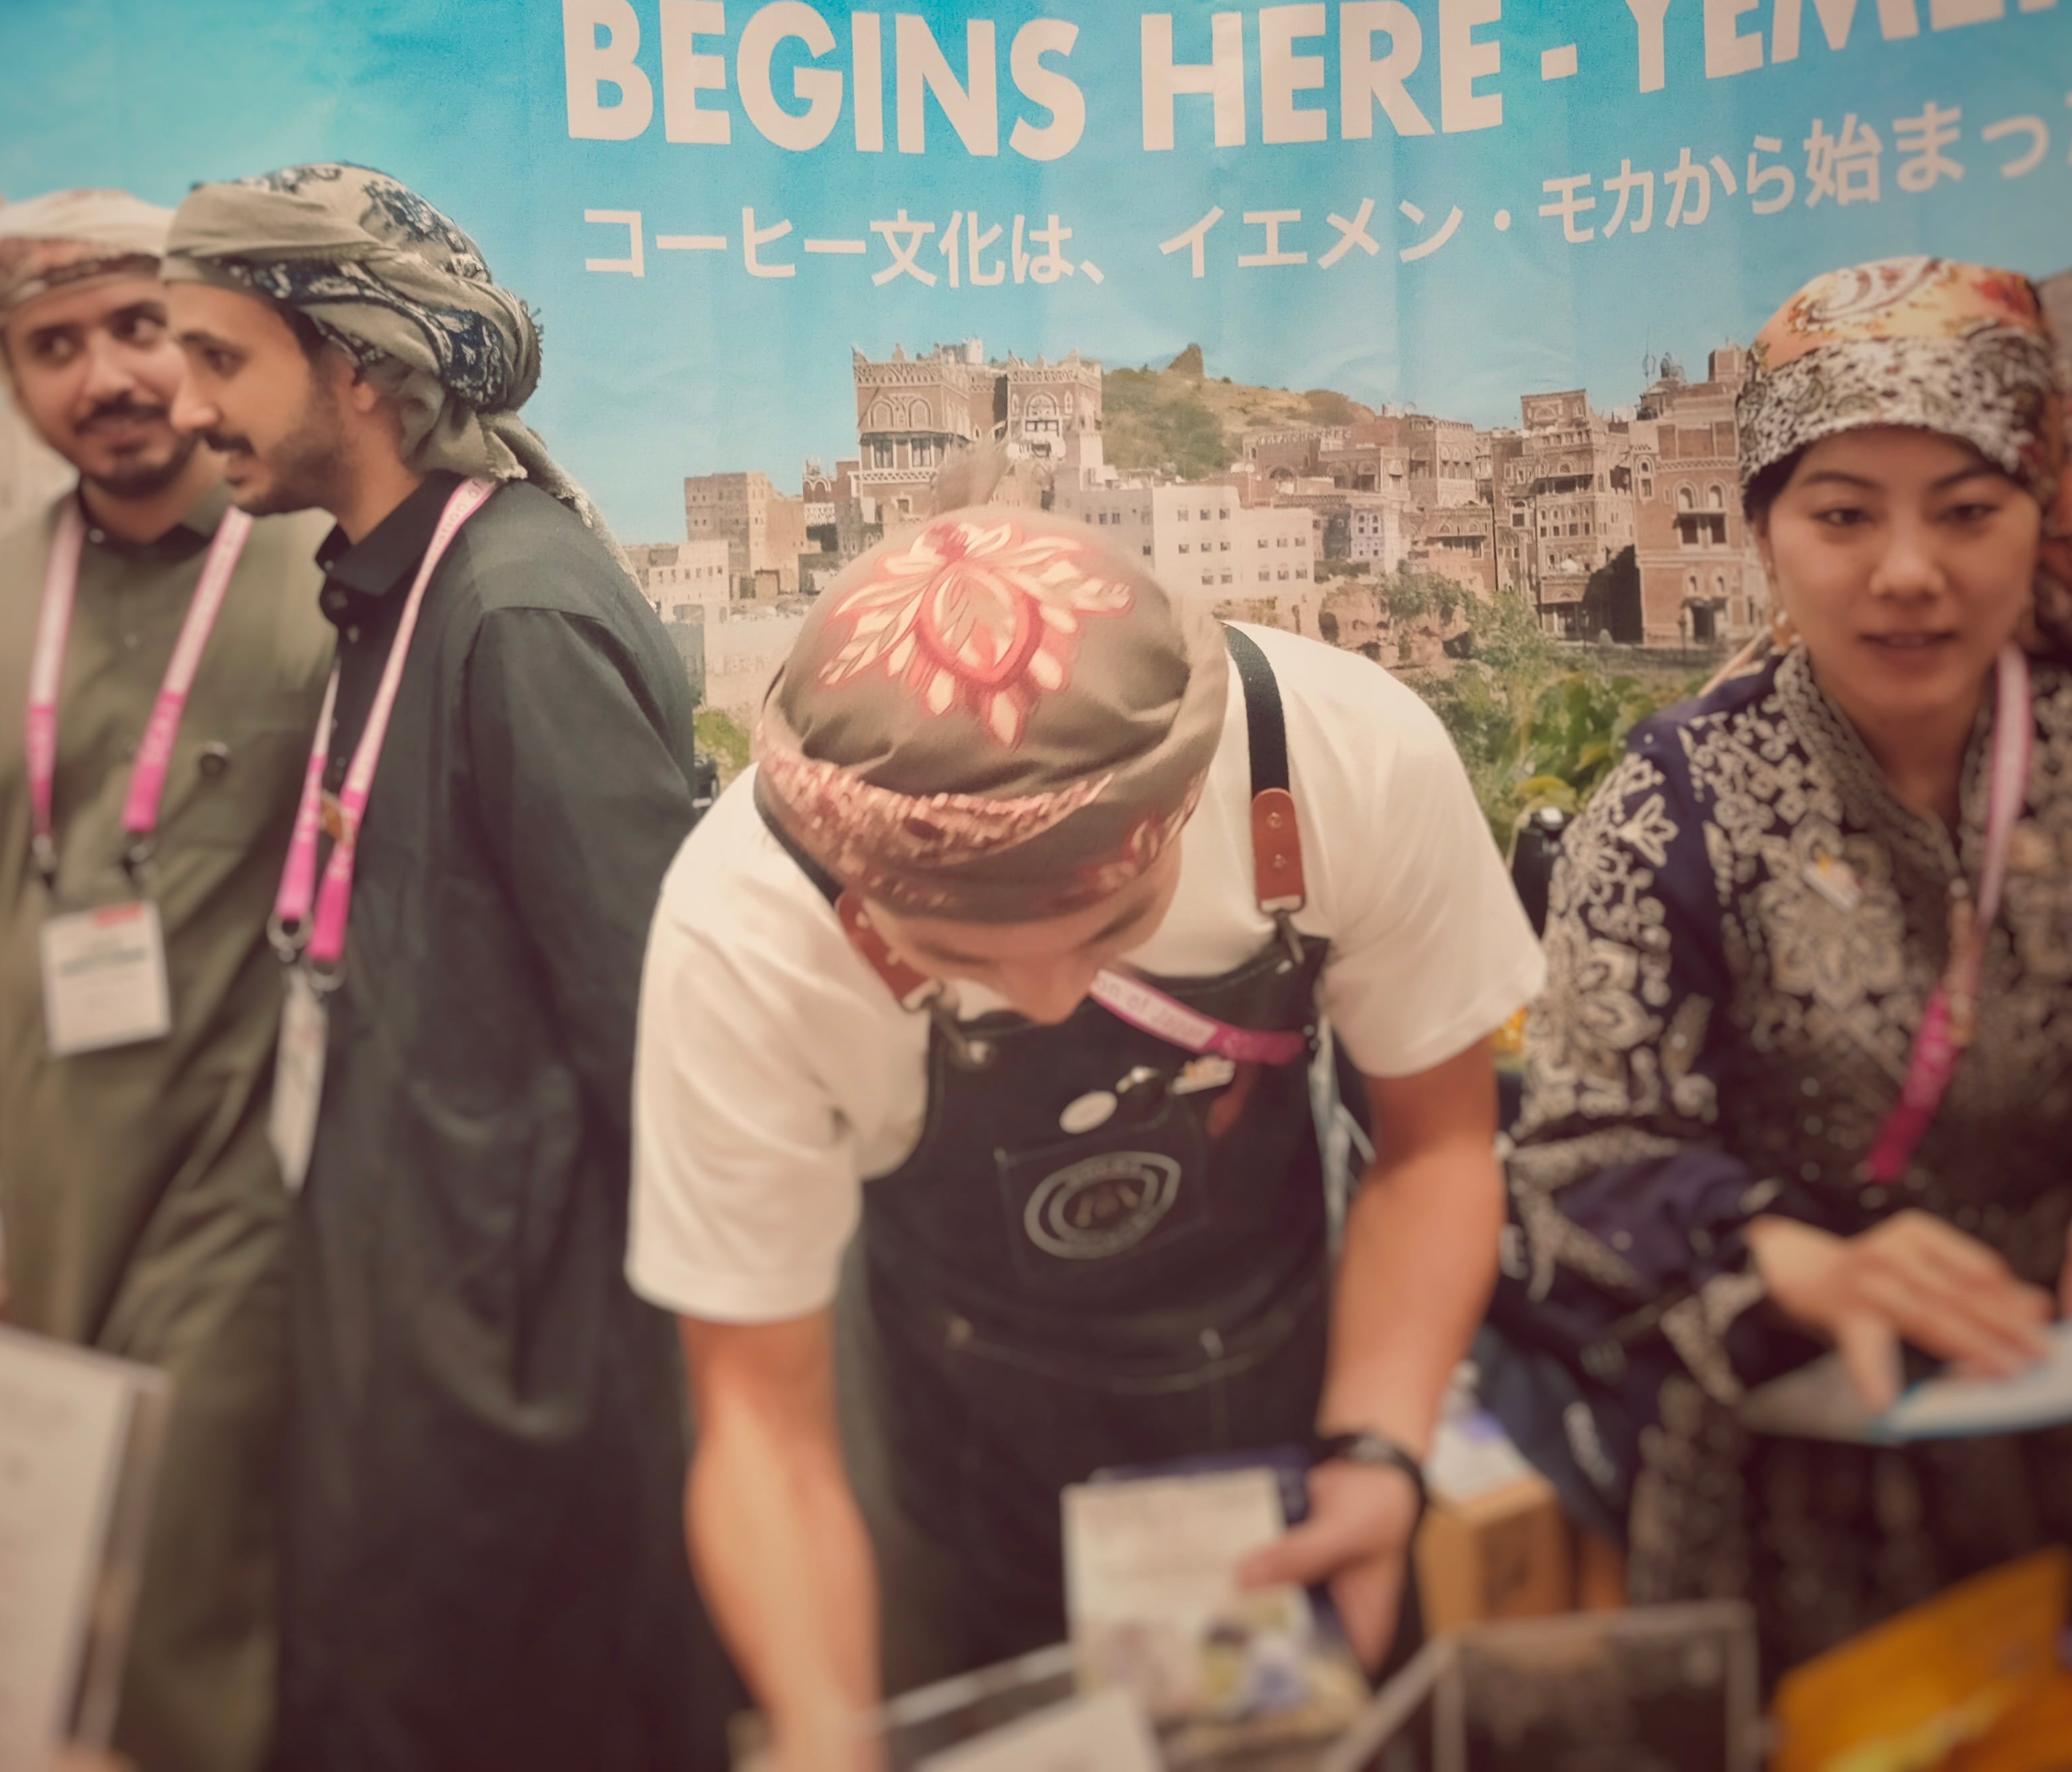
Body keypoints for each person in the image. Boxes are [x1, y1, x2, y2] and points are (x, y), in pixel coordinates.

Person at [1494, 256, 2072, 1671]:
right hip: (1783, 1481)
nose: (1907, 572)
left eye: (1967, 511)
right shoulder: (1675, 800)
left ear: (2038, 516)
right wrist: (1786, 1260)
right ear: (1765, 532)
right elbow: (1581, 1149)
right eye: (1842, 514)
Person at [627, 476, 1543, 1765]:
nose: (1052, 999)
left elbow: (1436, 1146)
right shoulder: (745, 931)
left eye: (1114, 926)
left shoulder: (1345, 755)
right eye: (958, 959)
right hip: (957, 1464)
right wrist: (825, 1723)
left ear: (1190, 803)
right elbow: (761, 1422)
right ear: (854, 894)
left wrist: (1378, 1448)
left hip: (1294, 1404)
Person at [159, 163, 723, 1772]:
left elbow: (660, 1056)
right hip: (416, 1352)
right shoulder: (392, 590)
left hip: (524, 1409)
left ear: (355, 365)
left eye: (220, 359)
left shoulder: (514, 612)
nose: (187, 407)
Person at [0, 190, 333, 1772]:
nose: (109, 376)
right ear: (8, 380)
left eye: (140, 328)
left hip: (253, 1182)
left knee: (197, 1578)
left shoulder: (319, 570)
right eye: (54, 347)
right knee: (81, 1583)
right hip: (53, 1189)